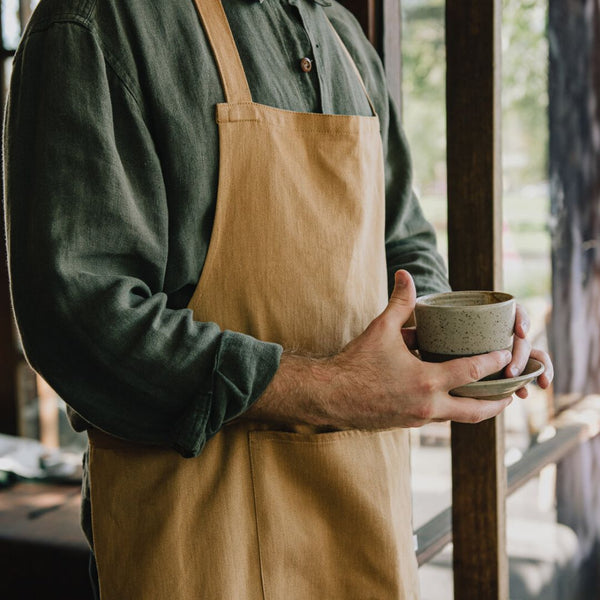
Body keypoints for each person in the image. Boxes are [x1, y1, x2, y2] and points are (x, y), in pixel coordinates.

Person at [4, 0, 553, 598]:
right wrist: (336, 390)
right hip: (201, 540)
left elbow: (403, 244)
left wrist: (464, 336)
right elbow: (80, 318)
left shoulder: (341, 36)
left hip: (369, 516)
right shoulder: (99, 23)